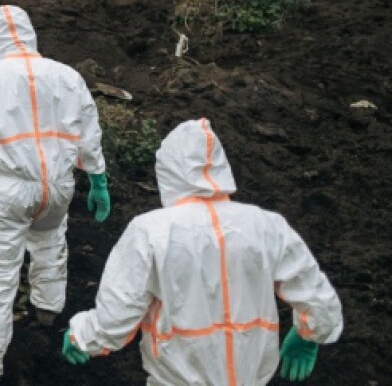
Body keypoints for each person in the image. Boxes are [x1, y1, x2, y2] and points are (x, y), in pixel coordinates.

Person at [63, 118, 343, 386]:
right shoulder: (266, 226)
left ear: (168, 172)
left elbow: (117, 315)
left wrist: (82, 336)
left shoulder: (151, 231)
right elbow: (314, 292)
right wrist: (310, 334)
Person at [0, 5, 108, 385]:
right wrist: (98, 179)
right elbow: (89, 130)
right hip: (58, 184)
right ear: (31, 33)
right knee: (51, 241)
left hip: (11, 186)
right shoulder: (68, 76)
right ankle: (48, 311)